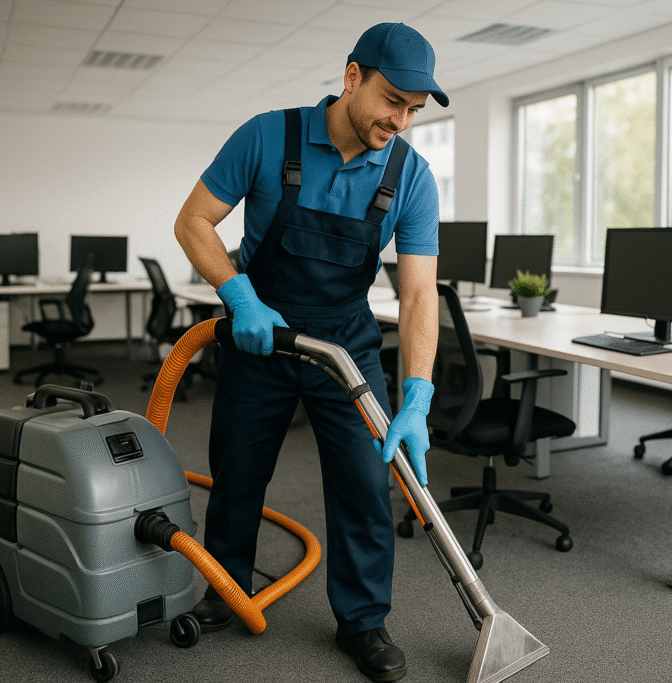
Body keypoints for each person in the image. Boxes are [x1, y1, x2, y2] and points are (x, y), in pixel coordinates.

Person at [173, 22, 446, 683]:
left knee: (363, 482)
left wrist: (417, 394)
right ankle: (225, 586)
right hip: (259, 332)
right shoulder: (269, 136)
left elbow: (416, 297)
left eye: (414, 109)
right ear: (353, 77)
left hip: (345, 343)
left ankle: (363, 619)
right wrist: (237, 294)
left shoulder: (411, 175)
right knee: (237, 472)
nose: (400, 120)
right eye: (392, 100)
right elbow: (193, 221)